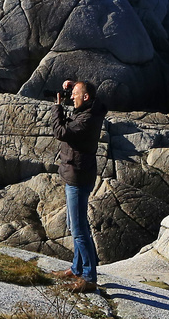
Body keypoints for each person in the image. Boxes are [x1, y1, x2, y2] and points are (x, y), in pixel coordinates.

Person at [53, 79, 104, 292]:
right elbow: (95, 98)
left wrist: (57, 107)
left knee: (79, 229)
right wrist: (75, 84)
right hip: (77, 174)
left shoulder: (86, 119)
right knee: (76, 226)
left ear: (86, 98)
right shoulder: (94, 108)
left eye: (75, 93)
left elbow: (60, 132)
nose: (71, 96)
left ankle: (89, 277)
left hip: (77, 176)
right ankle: (77, 267)